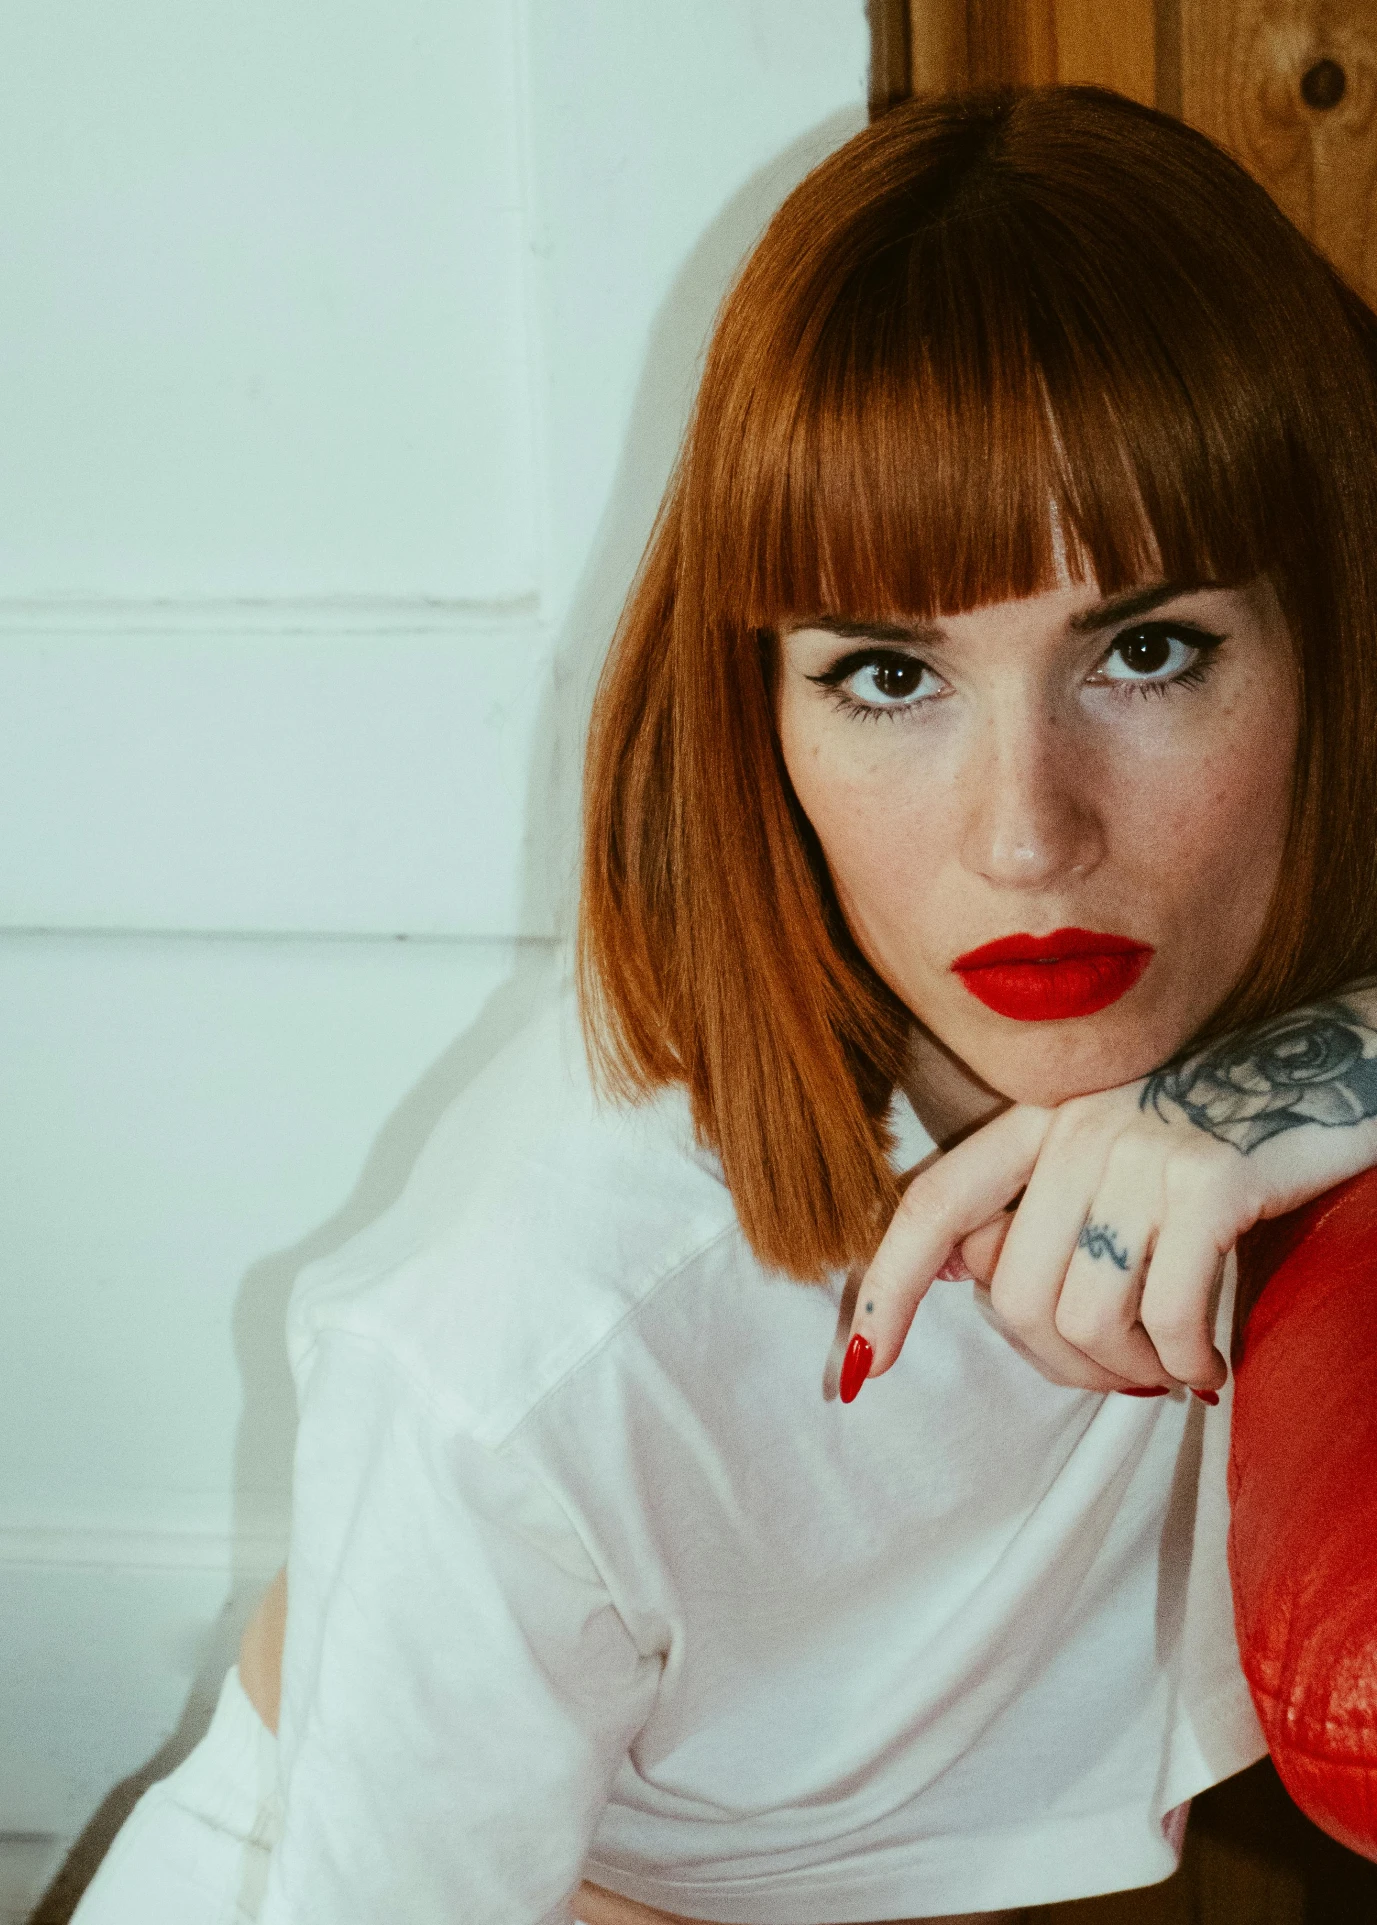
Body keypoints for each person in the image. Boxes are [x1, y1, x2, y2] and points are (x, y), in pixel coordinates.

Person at [74, 86, 1377, 1924]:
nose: (1025, 839)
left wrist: (1324, 1073)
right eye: (887, 675)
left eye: (1148, 652)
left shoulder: (1258, 957)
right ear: (757, 713)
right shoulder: (534, 1353)